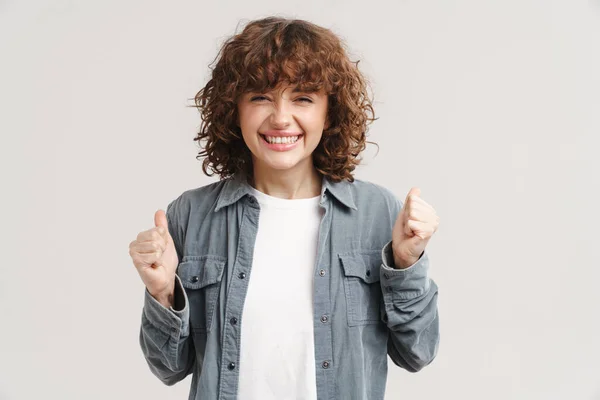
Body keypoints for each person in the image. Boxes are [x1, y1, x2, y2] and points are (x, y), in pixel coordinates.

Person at [129, 16, 440, 400]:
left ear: (330, 112)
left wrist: (406, 265)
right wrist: (162, 294)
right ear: (234, 108)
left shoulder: (378, 213)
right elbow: (168, 368)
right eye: (260, 96)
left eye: (303, 98)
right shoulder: (190, 215)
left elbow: (418, 353)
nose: (280, 117)